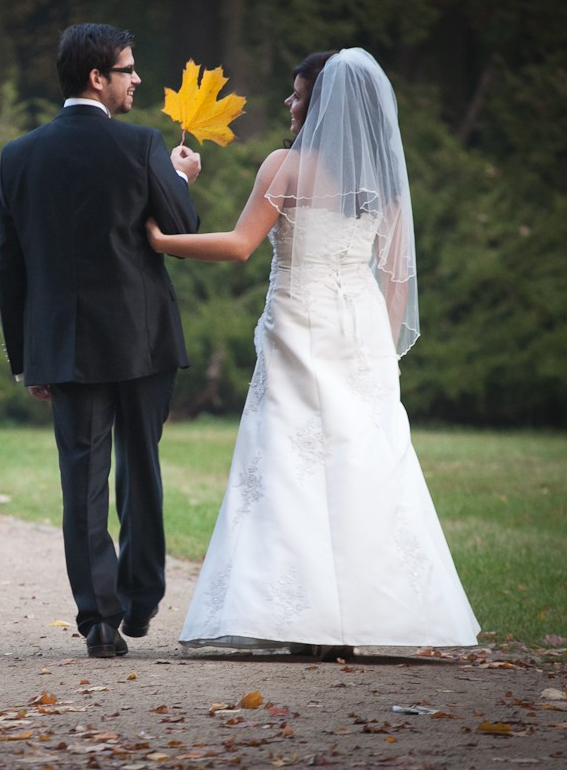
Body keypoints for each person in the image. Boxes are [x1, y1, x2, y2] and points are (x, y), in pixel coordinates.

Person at [147, 48, 480, 658]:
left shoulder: (286, 166)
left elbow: (240, 244)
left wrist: (164, 239)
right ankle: (369, 617)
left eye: (297, 94)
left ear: (321, 105)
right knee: (363, 465)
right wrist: (377, 356)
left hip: (298, 327)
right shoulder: (386, 183)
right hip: (359, 335)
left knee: (286, 463)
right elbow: (396, 285)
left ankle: (294, 618)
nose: (288, 103)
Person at [0, 23, 202, 658]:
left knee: (81, 478)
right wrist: (181, 178)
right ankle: (140, 601)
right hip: (142, 342)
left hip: (64, 346)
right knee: (141, 468)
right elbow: (183, 227)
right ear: (97, 78)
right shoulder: (142, 146)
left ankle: (99, 620)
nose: (137, 79)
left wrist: (25, 356)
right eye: (128, 69)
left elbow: (10, 261)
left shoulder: (18, 155)